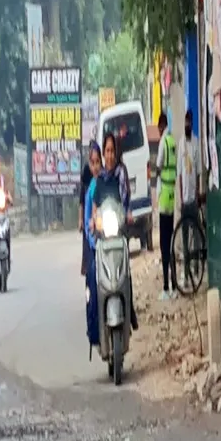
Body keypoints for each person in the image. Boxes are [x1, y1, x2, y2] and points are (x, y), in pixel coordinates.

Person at [84, 133, 138, 349]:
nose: (108, 155)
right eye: (106, 151)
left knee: (126, 277)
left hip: (119, 237)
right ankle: (95, 329)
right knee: (95, 281)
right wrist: (91, 221)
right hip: (103, 241)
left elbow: (125, 202)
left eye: (111, 151)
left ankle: (129, 313)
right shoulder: (99, 181)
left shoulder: (119, 177)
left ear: (116, 153)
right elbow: (95, 208)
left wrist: (129, 215)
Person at [177, 109, 201, 288]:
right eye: (185, 122)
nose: (187, 125)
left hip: (194, 198)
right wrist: (180, 199)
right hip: (184, 200)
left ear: (192, 124)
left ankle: (196, 267)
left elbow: (198, 173)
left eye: (189, 122)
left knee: (197, 236)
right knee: (185, 238)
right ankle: (185, 275)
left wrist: (198, 194)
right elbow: (179, 174)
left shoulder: (196, 144)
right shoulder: (181, 145)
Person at [156, 112, 177, 300]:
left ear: (160, 126)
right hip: (173, 195)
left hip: (164, 198)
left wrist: (153, 171)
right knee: (171, 242)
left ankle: (165, 287)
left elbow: (158, 166)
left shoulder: (163, 142)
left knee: (164, 245)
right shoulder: (173, 141)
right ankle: (175, 286)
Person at [79, 143, 98, 276]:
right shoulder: (89, 186)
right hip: (91, 225)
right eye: (92, 162)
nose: (95, 166)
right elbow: (82, 199)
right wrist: (82, 220)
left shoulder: (104, 179)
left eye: (98, 162)